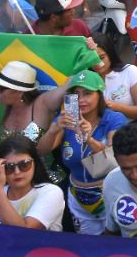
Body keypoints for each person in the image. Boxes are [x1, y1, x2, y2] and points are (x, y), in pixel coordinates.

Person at [40, 71, 125, 234]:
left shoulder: (114, 119)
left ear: (99, 95)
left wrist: (90, 139)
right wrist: (53, 130)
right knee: (89, 248)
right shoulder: (65, 121)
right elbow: (42, 150)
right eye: (76, 94)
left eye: (87, 93)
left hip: (109, 192)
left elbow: (115, 158)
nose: (81, 100)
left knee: (117, 243)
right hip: (78, 197)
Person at [0, 135, 64, 231]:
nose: (17, 172)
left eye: (24, 164)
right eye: (9, 167)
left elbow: (23, 232)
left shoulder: (51, 192)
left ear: (35, 163)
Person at [94, 32, 137, 122]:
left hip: (131, 129)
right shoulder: (86, 79)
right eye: (93, 59)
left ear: (110, 54)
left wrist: (115, 107)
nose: (98, 64)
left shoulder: (129, 72)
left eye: (102, 58)